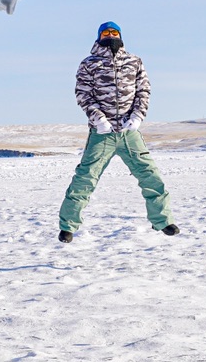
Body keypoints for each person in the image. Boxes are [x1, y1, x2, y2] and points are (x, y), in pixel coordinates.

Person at [58, 22, 177, 242]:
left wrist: (137, 117)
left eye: (114, 33)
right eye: (106, 33)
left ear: (120, 36)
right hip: (102, 134)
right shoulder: (89, 64)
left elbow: (143, 90)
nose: (111, 36)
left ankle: (163, 221)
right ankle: (68, 226)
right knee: (85, 178)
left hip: (129, 132)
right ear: (99, 37)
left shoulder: (134, 62)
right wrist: (98, 119)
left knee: (150, 175)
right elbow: (83, 94)